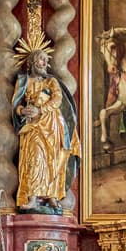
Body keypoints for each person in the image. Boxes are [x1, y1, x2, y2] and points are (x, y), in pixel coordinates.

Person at [12, 41, 79, 212]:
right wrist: (23, 111)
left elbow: (57, 100)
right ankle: (33, 198)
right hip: (34, 126)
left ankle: (52, 197)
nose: (44, 63)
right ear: (32, 62)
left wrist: (39, 109)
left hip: (53, 125)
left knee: (54, 160)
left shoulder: (51, 82)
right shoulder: (23, 82)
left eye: (45, 60)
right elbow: (16, 105)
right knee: (35, 158)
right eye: (40, 59)